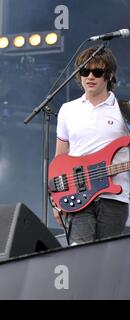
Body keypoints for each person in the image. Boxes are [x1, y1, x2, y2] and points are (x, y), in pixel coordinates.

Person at [53, 46, 129, 244]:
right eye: (85, 71)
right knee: (80, 256)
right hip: (77, 196)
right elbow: (60, 158)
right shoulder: (67, 110)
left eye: (97, 71)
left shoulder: (125, 110)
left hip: (115, 197)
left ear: (109, 75)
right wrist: (56, 200)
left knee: (106, 261)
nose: (90, 76)